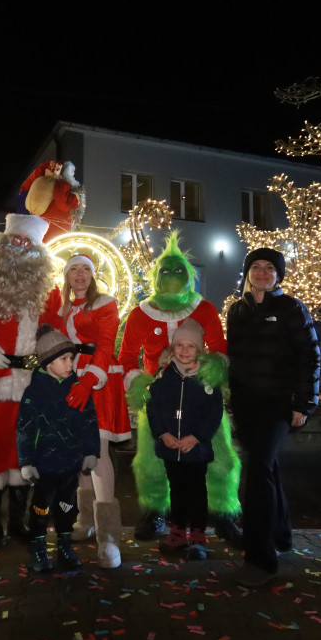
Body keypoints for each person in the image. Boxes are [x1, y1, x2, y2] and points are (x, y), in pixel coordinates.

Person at [117, 232, 242, 545]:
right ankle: (157, 512)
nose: (172, 276)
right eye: (166, 271)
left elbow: (219, 348)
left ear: (190, 277)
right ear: (155, 278)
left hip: (201, 397)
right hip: (159, 400)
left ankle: (223, 513)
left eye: (179, 271)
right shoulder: (139, 314)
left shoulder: (205, 309)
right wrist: (139, 384)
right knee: (151, 461)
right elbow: (126, 357)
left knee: (219, 458)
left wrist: (212, 372)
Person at [0, 214, 63, 554]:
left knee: (24, 449)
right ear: (2, 242)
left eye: (26, 242)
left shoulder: (50, 289)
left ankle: (16, 524)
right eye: (14, 240)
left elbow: (52, 333)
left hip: (30, 381)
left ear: (37, 249)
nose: (18, 247)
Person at [226, 248, 320, 587]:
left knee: (260, 469)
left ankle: (259, 556)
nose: (263, 272)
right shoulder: (237, 310)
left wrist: (304, 403)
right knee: (268, 467)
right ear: (248, 273)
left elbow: (310, 356)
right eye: (257, 267)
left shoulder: (291, 308)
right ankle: (282, 536)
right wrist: (234, 405)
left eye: (270, 268)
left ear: (278, 275)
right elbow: (234, 360)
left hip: (279, 404)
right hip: (248, 405)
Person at [58, 253, 129, 569]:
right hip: (69, 378)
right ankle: (85, 520)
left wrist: (88, 381)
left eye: (85, 268)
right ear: (67, 276)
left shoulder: (105, 304)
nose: (79, 273)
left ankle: (109, 536)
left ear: (93, 274)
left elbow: (105, 345)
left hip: (97, 380)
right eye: (73, 268)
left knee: (97, 452)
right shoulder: (62, 309)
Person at [17, 325, 100, 573]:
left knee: (67, 506)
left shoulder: (77, 387)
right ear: (48, 362)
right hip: (43, 465)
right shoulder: (35, 391)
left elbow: (88, 420)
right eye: (63, 359)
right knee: (41, 507)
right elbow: (25, 428)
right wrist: (26, 461)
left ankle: (65, 543)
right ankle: (39, 545)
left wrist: (90, 451)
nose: (70, 363)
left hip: (70, 463)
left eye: (71, 358)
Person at [145, 319, 225, 560]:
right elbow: (153, 408)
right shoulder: (163, 377)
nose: (184, 350)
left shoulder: (207, 379)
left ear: (199, 349)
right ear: (173, 347)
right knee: (177, 490)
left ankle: (198, 536)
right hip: (171, 447)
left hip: (196, 448)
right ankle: (178, 533)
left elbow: (214, 412)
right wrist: (163, 433)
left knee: (197, 491)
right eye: (180, 345)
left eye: (191, 346)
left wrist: (198, 437)